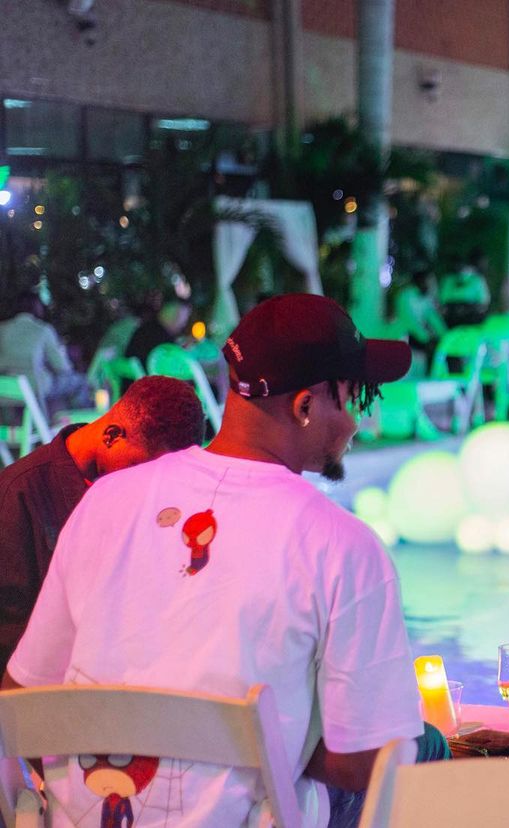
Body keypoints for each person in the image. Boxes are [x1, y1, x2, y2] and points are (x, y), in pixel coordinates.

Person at [3, 294, 446, 828]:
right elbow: (371, 760)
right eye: (355, 398)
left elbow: (22, 695)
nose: (360, 422)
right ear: (305, 406)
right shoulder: (343, 547)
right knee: (426, 748)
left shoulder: (106, 500)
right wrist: (275, 733)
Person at [0, 376, 206, 675]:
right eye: (141, 467)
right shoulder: (18, 495)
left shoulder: (153, 491)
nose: (151, 483)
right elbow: (11, 632)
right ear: (111, 436)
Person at [0, 290, 88, 410]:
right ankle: (76, 420)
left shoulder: (2, 329)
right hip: (36, 387)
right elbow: (62, 367)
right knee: (80, 381)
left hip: (6, 389)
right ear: (37, 308)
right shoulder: (43, 330)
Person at [125, 299, 192, 368]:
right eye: (183, 319)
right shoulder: (162, 338)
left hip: (130, 371)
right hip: (145, 372)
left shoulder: (148, 327)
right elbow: (173, 364)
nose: (184, 324)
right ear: (172, 317)